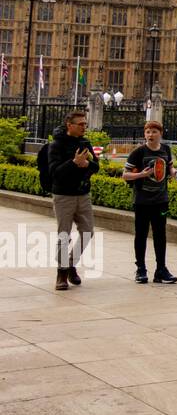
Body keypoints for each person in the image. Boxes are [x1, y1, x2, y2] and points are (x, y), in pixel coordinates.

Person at [47, 111, 98, 291]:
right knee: (64, 235)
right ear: (70, 125)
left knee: (87, 232)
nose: (84, 126)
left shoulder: (85, 143)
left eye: (85, 123)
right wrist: (74, 163)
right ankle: (61, 273)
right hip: (63, 196)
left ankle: (70, 263)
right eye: (80, 124)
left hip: (83, 194)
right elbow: (54, 172)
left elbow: (96, 166)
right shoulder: (56, 145)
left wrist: (87, 165)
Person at [123, 121, 177, 284]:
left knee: (160, 235)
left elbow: (169, 169)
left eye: (154, 131)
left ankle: (161, 270)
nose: (150, 135)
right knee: (141, 235)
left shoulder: (166, 150)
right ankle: (141, 269)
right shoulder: (138, 152)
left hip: (161, 200)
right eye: (148, 132)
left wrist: (175, 173)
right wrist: (141, 175)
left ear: (160, 133)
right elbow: (125, 175)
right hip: (142, 200)